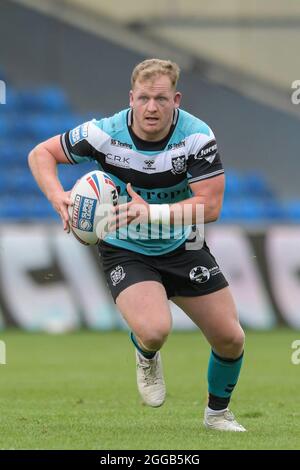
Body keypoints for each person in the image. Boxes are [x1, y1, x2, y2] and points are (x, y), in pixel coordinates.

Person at [28, 58, 246, 432]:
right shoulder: (104, 134)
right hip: (126, 247)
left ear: (175, 99)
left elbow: (210, 206)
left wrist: (153, 212)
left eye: (161, 99)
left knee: (230, 338)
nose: (151, 108)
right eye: (144, 98)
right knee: (155, 330)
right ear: (131, 97)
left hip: (184, 243)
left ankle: (217, 414)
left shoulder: (196, 137)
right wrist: (56, 196)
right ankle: (146, 354)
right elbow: (40, 154)